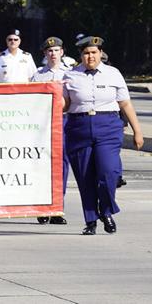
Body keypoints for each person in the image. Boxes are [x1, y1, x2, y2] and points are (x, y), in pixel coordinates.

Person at [62, 36, 144, 235]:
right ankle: (91, 220)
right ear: (81, 55)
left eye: (93, 52)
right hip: (79, 127)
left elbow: (125, 104)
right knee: (84, 176)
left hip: (107, 126)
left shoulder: (113, 74)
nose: (90, 56)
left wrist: (137, 131)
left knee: (108, 172)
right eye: (86, 53)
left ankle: (106, 210)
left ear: (101, 53)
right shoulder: (70, 76)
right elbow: (64, 105)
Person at [30, 36, 70, 224]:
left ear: (62, 52)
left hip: (64, 122)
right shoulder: (38, 76)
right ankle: (42, 207)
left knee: (61, 165)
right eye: (49, 51)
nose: (53, 54)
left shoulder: (71, 74)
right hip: (44, 124)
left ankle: (56, 208)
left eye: (56, 50)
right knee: (42, 164)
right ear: (45, 53)